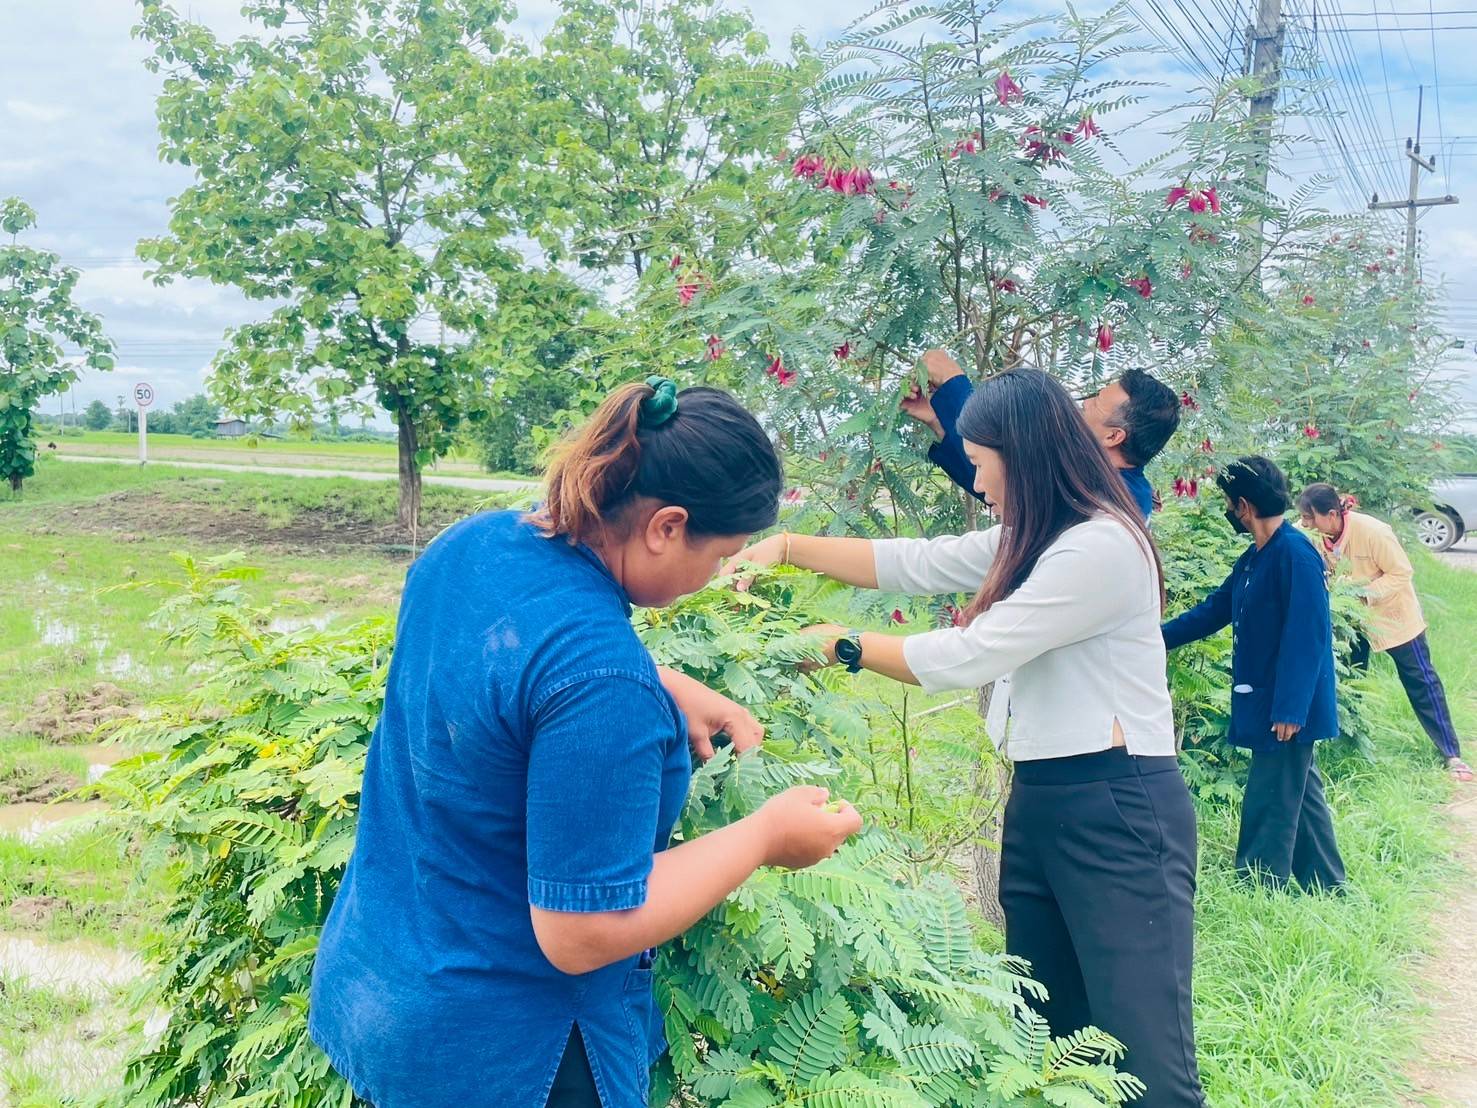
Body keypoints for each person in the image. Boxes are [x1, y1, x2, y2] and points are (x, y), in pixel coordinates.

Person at [309, 377, 862, 1108]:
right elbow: (581, 930)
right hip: (507, 1052)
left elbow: (493, 674)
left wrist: (655, 678)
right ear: (666, 525)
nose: (718, 575)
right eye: (722, 554)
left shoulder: (475, 543)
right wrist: (764, 837)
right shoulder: (600, 682)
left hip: (388, 987)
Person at [730, 366, 1205, 1108]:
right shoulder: (1040, 535)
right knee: (1049, 1036)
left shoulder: (1100, 547)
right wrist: (786, 545)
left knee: (1144, 1058)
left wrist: (840, 644)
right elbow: (914, 563)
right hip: (1045, 798)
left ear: (1023, 455)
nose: (978, 483)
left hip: (1118, 806)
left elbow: (969, 655)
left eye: (982, 464)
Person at [1163, 458, 1346, 892]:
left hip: (1287, 703)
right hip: (1270, 695)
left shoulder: (1295, 554)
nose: (1228, 510)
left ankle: (1258, 887)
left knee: (1271, 795)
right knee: (1300, 794)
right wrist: (1153, 640)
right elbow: (1215, 609)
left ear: (1243, 505)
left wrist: (1290, 709)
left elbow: (1309, 637)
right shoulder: (1256, 557)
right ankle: (1327, 884)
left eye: (1228, 503)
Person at [1298, 483, 1472, 781]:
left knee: (1420, 680)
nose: (1305, 524)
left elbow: (1401, 572)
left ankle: (1451, 754)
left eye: (1309, 517)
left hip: (1394, 617)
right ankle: (1347, 745)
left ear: (1331, 514)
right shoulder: (1308, 533)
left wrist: (1362, 593)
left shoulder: (1374, 532)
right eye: (1302, 518)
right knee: (1350, 681)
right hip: (1349, 623)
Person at [901, 348, 1180, 519]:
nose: (1084, 403)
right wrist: (940, 421)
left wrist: (954, 386)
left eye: (1095, 403)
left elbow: (1022, 485)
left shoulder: (1110, 501)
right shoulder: (1118, 487)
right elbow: (1004, 488)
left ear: (1113, 437)